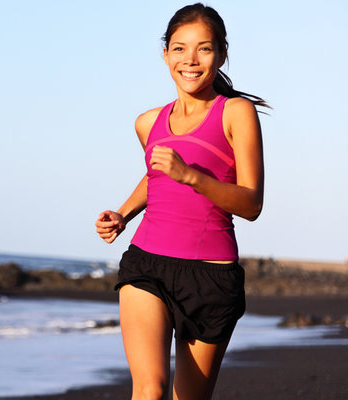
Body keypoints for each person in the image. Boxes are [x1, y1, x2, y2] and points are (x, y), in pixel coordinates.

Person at [95, 4, 268, 400]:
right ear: (165, 53)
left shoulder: (235, 113)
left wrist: (191, 175)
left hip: (210, 277)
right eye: (179, 49)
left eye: (204, 49)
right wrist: (123, 214)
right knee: (149, 390)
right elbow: (157, 175)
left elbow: (251, 203)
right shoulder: (147, 121)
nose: (190, 60)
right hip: (147, 263)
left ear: (222, 54)